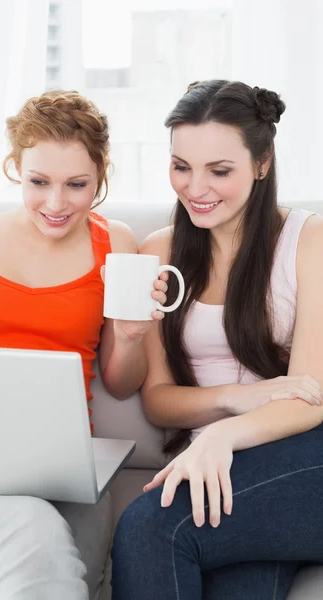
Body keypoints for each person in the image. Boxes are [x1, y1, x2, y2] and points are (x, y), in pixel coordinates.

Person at [0, 90, 168, 600]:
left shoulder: (115, 244)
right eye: (39, 182)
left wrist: (128, 336)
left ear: (102, 175)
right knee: (28, 530)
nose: (56, 205)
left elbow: (122, 385)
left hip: (63, 484)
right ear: (15, 168)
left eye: (77, 185)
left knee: (33, 560)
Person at [111, 79, 323, 600]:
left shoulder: (308, 241)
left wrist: (225, 435)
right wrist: (232, 401)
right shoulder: (159, 251)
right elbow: (159, 401)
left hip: (302, 453)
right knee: (239, 583)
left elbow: (310, 396)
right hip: (218, 465)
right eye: (181, 167)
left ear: (262, 162)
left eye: (219, 170)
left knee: (149, 526)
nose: (195, 188)